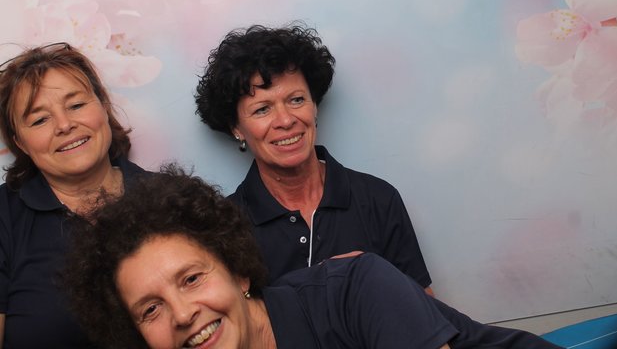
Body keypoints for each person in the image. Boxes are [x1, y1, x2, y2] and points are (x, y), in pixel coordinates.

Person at [62, 166, 562, 349]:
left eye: (191, 279)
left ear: (239, 273)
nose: (181, 314)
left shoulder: (358, 288)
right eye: (150, 309)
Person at [194, 24, 435, 295]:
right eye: (262, 109)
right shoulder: (224, 226)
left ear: (315, 106)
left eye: (296, 100)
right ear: (236, 128)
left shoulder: (378, 200)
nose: (286, 120)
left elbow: (426, 311)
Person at [0, 42, 147, 348]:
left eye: (76, 105)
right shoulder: (4, 217)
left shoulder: (176, 198)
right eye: (40, 120)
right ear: (20, 143)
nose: (65, 125)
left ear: (103, 106)